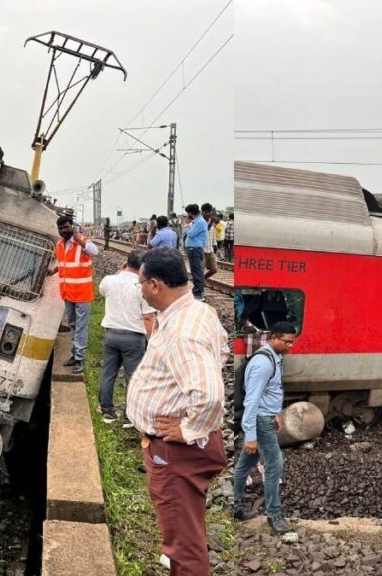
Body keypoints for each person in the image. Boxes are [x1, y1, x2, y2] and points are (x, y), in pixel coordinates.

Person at [126, 248, 229, 576]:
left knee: (182, 547)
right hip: (178, 451)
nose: (140, 289)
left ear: (155, 285)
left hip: (176, 453)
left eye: (140, 283)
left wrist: (188, 428)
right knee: (186, 531)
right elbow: (222, 349)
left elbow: (210, 395)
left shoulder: (182, 332)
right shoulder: (199, 311)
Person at [231, 322, 298, 538]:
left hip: (266, 417)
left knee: (245, 464)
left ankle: (237, 507)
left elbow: (272, 391)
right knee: (274, 465)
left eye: (292, 342)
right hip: (260, 421)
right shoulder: (264, 363)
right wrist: (250, 435)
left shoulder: (272, 358)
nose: (290, 346)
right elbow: (251, 400)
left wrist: (276, 413)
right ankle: (274, 515)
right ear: (274, 338)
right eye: (287, 342)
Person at [97, 250, 156, 424]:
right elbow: (148, 317)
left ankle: (107, 412)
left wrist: (118, 271)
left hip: (111, 334)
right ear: (143, 267)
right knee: (133, 377)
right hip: (133, 337)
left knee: (108, 373)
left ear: (125, 263)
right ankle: (129, 417)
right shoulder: (142, 287)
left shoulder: (109, 281)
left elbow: (102, 291)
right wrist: (151, 341)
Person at [51, 215, 98, 374]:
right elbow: (65, 263)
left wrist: (77, 237)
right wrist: (54, 270)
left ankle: (79, 358)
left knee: (81, 327)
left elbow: (94, 251)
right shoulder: (59, 245)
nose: (64, 230)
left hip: (82, 293)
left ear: (72, 226)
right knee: (73, 324)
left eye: (66, 227)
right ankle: (75, 353)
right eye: (61, 228)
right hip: (67, 292)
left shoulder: (83, 242)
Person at [183, 204, 207, 301]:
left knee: (197, 271)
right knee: (195, 271)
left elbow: (190, 233)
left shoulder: (200, 222)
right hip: (193, 249)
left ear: (190, 213)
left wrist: (187, 225)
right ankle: (197, 290)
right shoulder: (196, 221)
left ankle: (198, 294)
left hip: (195, 249)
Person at [202, 203, 218, 282]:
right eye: (207, 212)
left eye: (210, 212)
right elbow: (204, 232)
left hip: (209, 249)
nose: (209, 214)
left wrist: (215, 244)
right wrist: (211, 222)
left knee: (214, 269)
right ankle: (198, 287)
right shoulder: (200, 222)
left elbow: (213, 233)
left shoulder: (211, 221)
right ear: (203, 212)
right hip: (201, 250)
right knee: (200, 270)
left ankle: (201, 280)